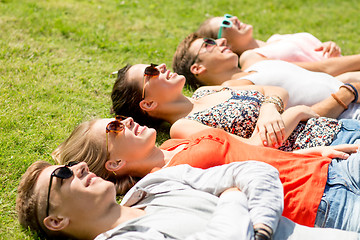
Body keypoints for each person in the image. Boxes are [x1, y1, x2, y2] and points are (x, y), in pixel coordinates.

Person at [52, 116, 360, 232]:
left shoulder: (176, 143)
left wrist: (303, 155)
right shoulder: (161, 188)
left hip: (329, 168)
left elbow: (248, 153)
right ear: (115, 164)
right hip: (320, 205)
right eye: (115, 128)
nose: (127, 121)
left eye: (119, 118)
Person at [17, 158, 360, 239]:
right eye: (62, 175)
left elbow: (254, 171)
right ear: (56, 220)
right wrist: (232, 200)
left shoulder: (157, 183)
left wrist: (263, 223)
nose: (78, 167)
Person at [110, 62, 360, 150]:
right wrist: (294, 112)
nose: (161, 67)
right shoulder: (183, 127)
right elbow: (251, 148)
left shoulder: (205, 90)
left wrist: (269, 108)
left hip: (340, 127)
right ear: (148, 103)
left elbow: (273, 91)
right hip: (328, 146)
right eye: (151, 72)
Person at [172, 33, 360, 120]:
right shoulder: (230, 91)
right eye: (208, 44)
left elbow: (321, 77)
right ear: (198, 68)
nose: (221, 40)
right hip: (348, 115)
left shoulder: (260, 65)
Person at [195, 14, 360, 83]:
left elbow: (320, 58)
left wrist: (329, 47)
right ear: (223, 42)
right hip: (347, 79)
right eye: (226, 24)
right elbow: (321, 69)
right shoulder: (253, 59)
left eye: (228, 17)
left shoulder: (276, 38)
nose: (234, 19)